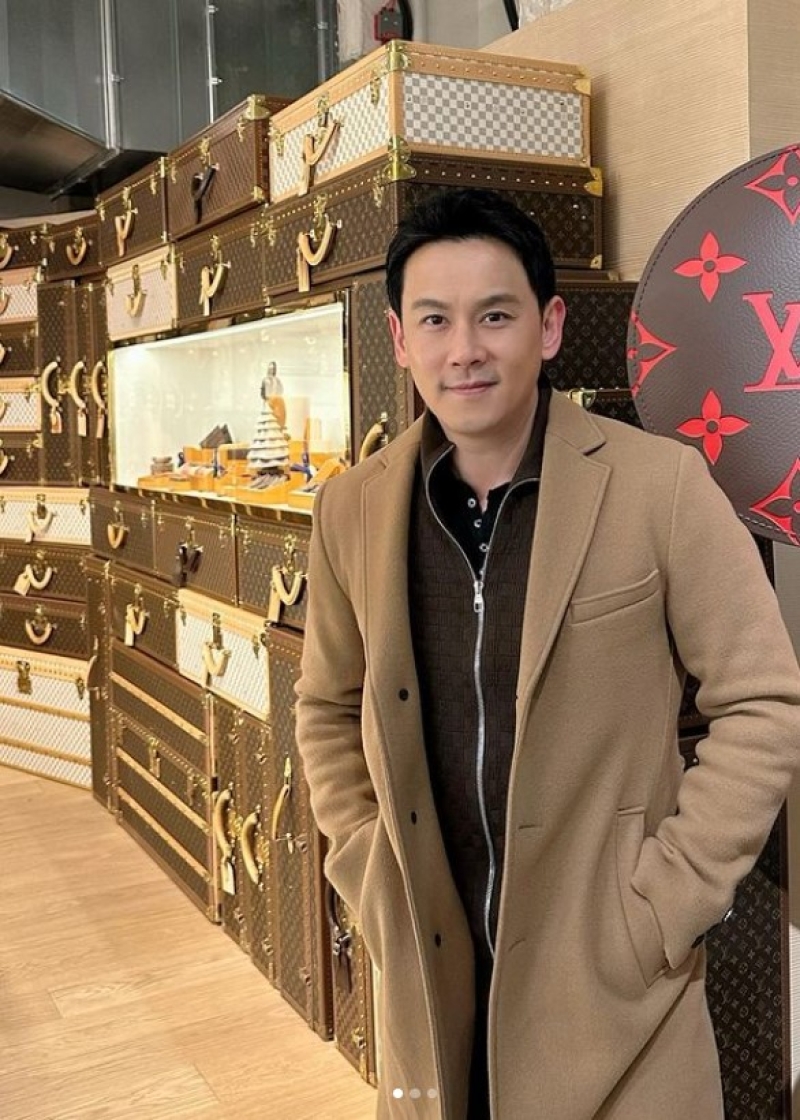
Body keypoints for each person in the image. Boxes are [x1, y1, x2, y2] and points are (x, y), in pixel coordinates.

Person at [294, 187, 800, 1119]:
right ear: (399, 339)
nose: (464, 350)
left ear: (550, 325)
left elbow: (764, 698)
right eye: (434, 320)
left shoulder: (659, 485)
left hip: (615, 992)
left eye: (495, 315)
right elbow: (327, 707)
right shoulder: (351, 509)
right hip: (432, 974)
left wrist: (667, 902)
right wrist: (364, 864)